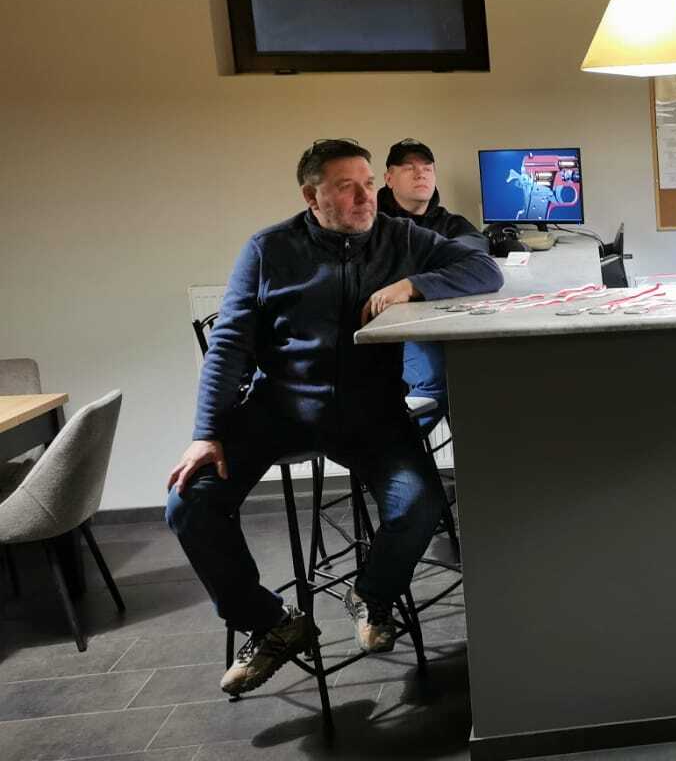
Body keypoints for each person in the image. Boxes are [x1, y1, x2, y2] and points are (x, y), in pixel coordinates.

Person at [165, 139, 503, 697]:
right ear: (312, 195)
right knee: (189, 502)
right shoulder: (269, 248)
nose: (365, 197)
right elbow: (229, 345)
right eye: (347, 188)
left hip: (372, 410)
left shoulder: (401, 237)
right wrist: (206, 433)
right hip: (279, 408)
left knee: (420, 506)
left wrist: (412, 284)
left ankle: (371, 594)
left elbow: (483, 269)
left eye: (368, 184)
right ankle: (271, 623)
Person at [378, 138, 488, 423]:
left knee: (485, 373)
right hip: (392, 330)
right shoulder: (374, 223)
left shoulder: (448, 222)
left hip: (443, 322)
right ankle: (396, 447)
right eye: (409, 168)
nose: (421, 174)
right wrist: (445, 265)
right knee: (437, 382)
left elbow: (477, 252)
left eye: (427, 168)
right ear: (389, 178)